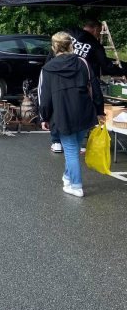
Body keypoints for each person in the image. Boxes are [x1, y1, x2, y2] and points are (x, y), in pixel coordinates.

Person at [38, 31, 101, 197]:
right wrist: (99, 110)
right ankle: (68, 176)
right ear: (70, 45)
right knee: (74, 147)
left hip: (63, 114)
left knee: (71, 151)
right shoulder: (83, 63)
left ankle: (76, 186)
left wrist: (44, 117)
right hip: (84, 112)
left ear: (53, 47)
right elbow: (95, 87)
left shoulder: (48, 68)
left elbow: (44, 97)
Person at [48, 19, 115, 152]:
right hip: (80, 80)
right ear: (96, 29)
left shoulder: (67, 33)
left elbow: (51, 55)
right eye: (99, 31)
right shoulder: (94, 45)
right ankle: (74, 142)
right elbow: (105, 65)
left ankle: (57, 141)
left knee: (58, 106)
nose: (99, 34)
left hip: (57, 75)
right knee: (79, 107)